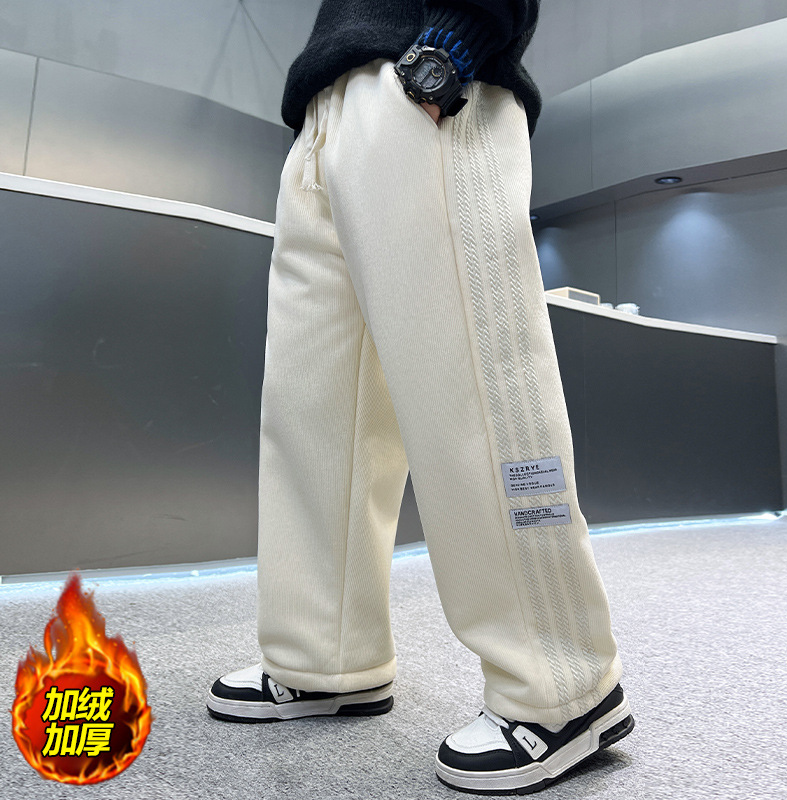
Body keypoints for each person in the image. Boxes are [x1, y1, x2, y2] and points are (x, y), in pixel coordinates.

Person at [207, 0, 635, 793]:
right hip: (326, 106)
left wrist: (456, 46)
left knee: (475, 396)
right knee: (315, 409)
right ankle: (324, 656)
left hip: (427, 76)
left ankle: (563, 686)